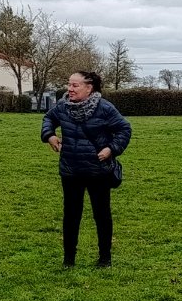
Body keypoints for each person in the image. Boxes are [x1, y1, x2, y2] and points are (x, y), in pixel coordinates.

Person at [41, 71, 132, 268]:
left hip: (98, 171)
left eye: (75, 85)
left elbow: (124, 129)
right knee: (71, 215)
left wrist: (111, 149)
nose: (69, 89)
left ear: (89, 88)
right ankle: (68, 260)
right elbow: (48, 119)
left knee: (102, 214)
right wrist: (50, 135)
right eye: (69, 85)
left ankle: (105, 259)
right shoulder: (62, 106)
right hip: (70, 170)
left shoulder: (105, 108)